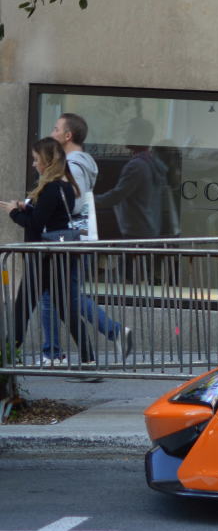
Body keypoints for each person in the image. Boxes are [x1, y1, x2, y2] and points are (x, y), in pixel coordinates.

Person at [42, 113, 131, 362]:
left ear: (67, 136)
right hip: (72, 238)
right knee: (55, 294)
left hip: (67, 239)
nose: (51, 133)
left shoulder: (73, 164)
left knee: (61, 295)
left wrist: (40, 206)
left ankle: (57, 353)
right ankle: (54, 353)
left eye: (55, 128)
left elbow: (75, 201)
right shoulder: (78, 162)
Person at [2, 138, 95, 364]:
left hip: (44, 256)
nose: (34, 165)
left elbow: (35, 224)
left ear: (47, 162)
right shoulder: (64, 187)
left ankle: (6, 359)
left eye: (36, 160)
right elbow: (51, 217)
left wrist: (15, 212)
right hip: (58, 254)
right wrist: (29, 206)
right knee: (64, 309)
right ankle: (88, 358)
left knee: (23, 308)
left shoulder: (51, 188)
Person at [95, 117, 168, 239]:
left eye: (128, 132)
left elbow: (117, 195)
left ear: (137, 136)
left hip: (136, 231)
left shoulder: (136, 166)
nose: (125, 136)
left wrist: (91, 201)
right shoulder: (152, 162)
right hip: (149, 227)